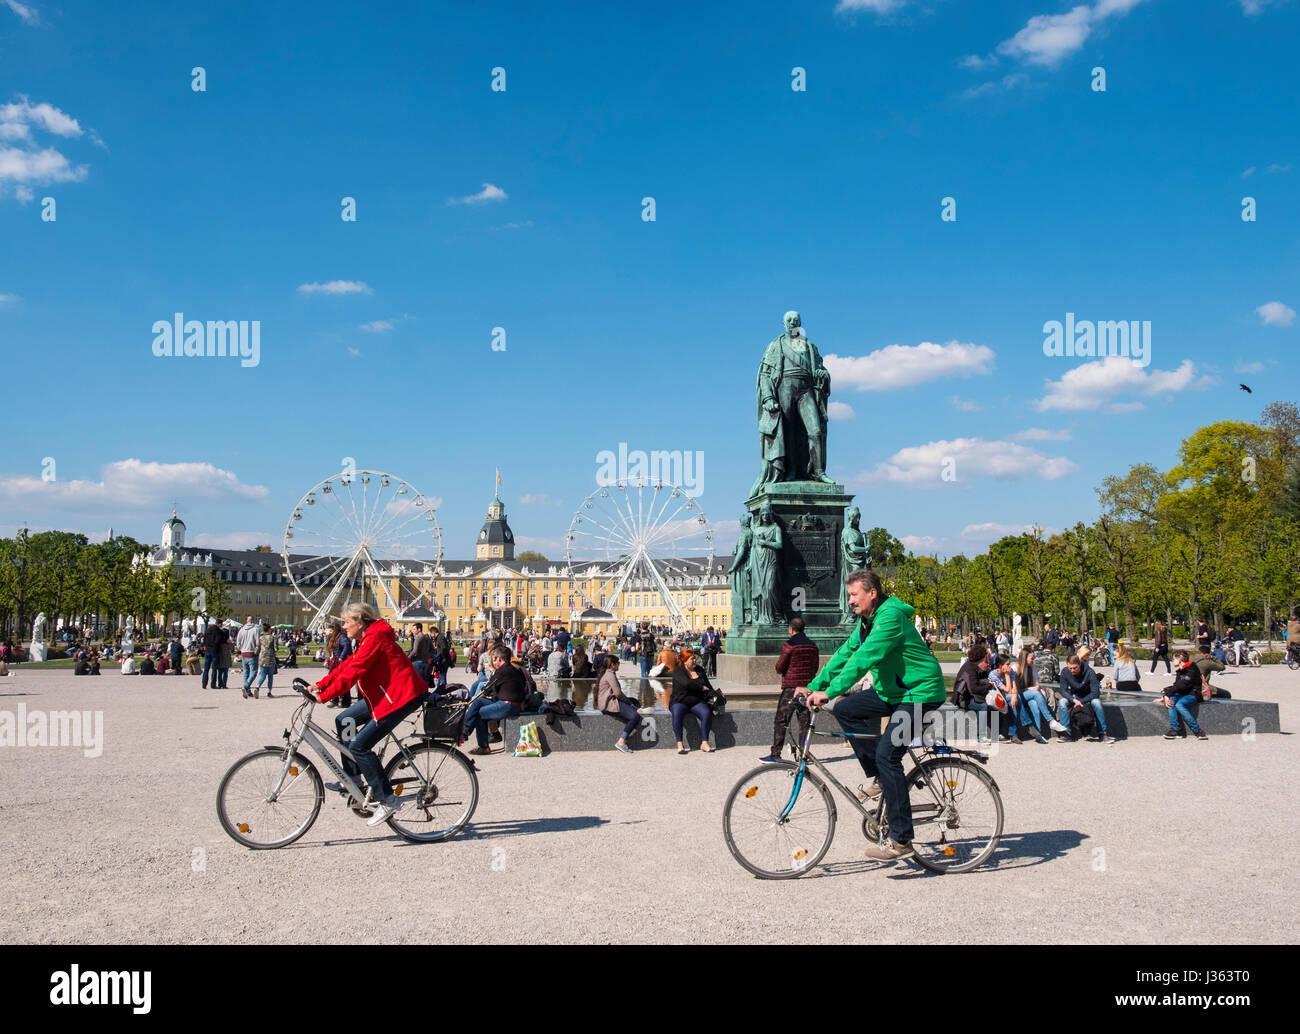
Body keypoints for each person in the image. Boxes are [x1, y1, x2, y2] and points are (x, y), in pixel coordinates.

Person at [796, 568, 947, 862]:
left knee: (888, 755)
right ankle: (881, 776)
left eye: (854, 595)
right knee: (845, 709)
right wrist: (813, 686)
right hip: (894, 693)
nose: (850, 600)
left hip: (920, 694)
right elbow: (845, 654)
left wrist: (830, 691)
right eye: (849, 595)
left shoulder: (889, 618)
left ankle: (902, 840)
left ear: (872, 593)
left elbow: (865, 659)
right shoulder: (867, 622)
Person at [310, 602, 430, 825]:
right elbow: (348, 664)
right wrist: (320, 685)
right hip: (385, 695)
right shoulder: (368, 637)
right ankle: (353, 779)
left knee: (359, 746)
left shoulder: (374, 638)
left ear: (359, 621)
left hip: (401, 696)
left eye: (347, 622)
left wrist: (324, 696)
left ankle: (387, 799)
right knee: (344, 719)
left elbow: (355, 672)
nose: (344, 626)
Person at [760, 617, 817, 763]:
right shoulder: (813, 646)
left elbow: (779, 667)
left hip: (791, 688)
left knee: (781, 720)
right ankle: (803, 755)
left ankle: (775, 754)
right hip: (807, 689)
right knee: (804, 722)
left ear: (791, 629)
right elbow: (815, 667)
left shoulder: (789, 645)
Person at [462, 644, 526, 756]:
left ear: (498, 659)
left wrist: (482, 694)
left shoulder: (502, 670)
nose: (493, 662)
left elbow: (487, 689)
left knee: (479, 714)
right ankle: (465, 730)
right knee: (478, 702)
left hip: (508, 706)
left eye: (493, 659)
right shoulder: (514, 669)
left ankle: (481, 745)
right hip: (512, 703)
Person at [596, 655, 655, 753]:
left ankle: (638, 708)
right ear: (612, 665)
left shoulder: (608, 673)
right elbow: (618, 693)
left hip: (608, 702)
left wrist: (628, 701)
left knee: (633, 702)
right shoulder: (610, 675)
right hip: (609, 704)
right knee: (634, 716)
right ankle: (621, 741)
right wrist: (628, 702)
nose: (619, 664)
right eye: (617, 663)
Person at [1056, 652, 1114, 743]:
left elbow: (1095, 692)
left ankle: (1102, 733)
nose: (1072, 670)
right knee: (1062, 702)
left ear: (1079, 664)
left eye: (1075, 668)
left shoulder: (1089, 672)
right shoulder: (1065, 671)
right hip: (1074, 697)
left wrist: (1082, 701)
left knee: (1097, 703)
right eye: (1070, 668)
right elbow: (1063, 690)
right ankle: (1066, 734)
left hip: (1088, 696)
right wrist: (1074, 700)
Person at [670, 649, 716, 754]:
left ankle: (704, 743)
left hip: (696, 701)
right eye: (692, 659)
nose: (695, 660)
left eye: (695, 658)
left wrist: (715, 695)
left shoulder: (699, 670)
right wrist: (700, 687)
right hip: (680, 701)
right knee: (677, 714)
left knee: (706, 713)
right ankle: (680, 743)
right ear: (685, 661)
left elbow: (708, 686)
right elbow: (686, 684)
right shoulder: (678, 670)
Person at [953, 642, 996, 744]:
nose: (987, 659)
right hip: (963, 699)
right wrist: (989, 685)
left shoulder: (972, 666)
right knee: (982, 706)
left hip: (969, 696)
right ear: (981, 657)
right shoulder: (970, 669)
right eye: (986, 657)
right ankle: (981, 736)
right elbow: (974, 688)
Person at [1162, 650, 1207, 740]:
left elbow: (1183, 685)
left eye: (1174, 658)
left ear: (1180, 659)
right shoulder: (1180, 670)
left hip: (1193, 694)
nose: (1172, 661)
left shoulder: (1191, 668)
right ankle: (1175, 730)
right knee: (1172, 701)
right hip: (1183, 693)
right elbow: (1176, 686)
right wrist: (1165, 696)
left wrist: (1168, 693)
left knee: (1179, 704)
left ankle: (1198, 731)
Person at [236, 616, 260, 697]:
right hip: (252, 653)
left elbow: (238, 643)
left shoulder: (241, 630)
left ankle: (248, 690)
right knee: (253, 672)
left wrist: (241, 649)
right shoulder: (255, 629)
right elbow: (258, 642)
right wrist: (257, 651)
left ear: (246, 620)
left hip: (243, 653)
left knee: (246, 672)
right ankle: (246, 686)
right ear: (252, 621)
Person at [251, 621, 276, 698]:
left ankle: (257, 687)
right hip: (271, 659)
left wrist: (255, 653)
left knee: (262, 675)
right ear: (269, 630)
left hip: (262, 659)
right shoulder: (272, 638)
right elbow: (276, 648)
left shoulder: (260, 638)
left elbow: (257, 649)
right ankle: (269, 692)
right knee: (270, 676)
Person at [407, 622, 434, 687]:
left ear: (419, 629)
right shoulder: (427, 637)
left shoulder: (418, 637)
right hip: (426, 662)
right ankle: (425, 694)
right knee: (425, 680)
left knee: (418, 681)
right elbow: (432, 649)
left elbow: (415, 651)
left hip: (418, 661)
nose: (412, 631)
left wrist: (408, 658)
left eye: (414, 629)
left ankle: (420, 696)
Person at [201, 618, 222, 688]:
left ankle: (204, 684)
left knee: (206, 668)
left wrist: (206, 646)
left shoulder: (208, 629)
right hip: (215, 651)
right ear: (219, 624)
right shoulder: (218, 631)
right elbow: (218, 641)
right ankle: (213, 684)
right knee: (214, 669)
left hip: (208, 650)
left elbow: (204, 640)